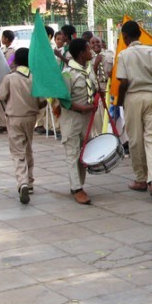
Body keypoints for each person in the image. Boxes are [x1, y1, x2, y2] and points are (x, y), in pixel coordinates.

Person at [116, 20, 152, 201]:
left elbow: (123, 81)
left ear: (125, 36)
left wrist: (121, 100)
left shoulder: (124, 55)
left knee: (135, 140)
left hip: (132, 97)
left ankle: (141, 179)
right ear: (139, 34)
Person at [0, 48, 46, 204]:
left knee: (17, 151)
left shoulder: (10, 78)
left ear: (15, 61)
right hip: (31, 117)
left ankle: (22, 182)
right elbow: (42, 101)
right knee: (28, 147)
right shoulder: (35, 77)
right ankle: (29, 181)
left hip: (14, 117)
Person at [60, 39, 97, 205]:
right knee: (72, 153)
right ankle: (77, 188)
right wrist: (83, 108)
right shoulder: (67, 73)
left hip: (87, 119)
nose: (91, 51)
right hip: (72, 118)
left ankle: (78, 184)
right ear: (82, 53)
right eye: (88, 48)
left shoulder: (88, 70)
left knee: (84, 153)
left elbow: (93, 88)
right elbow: (64, 100)